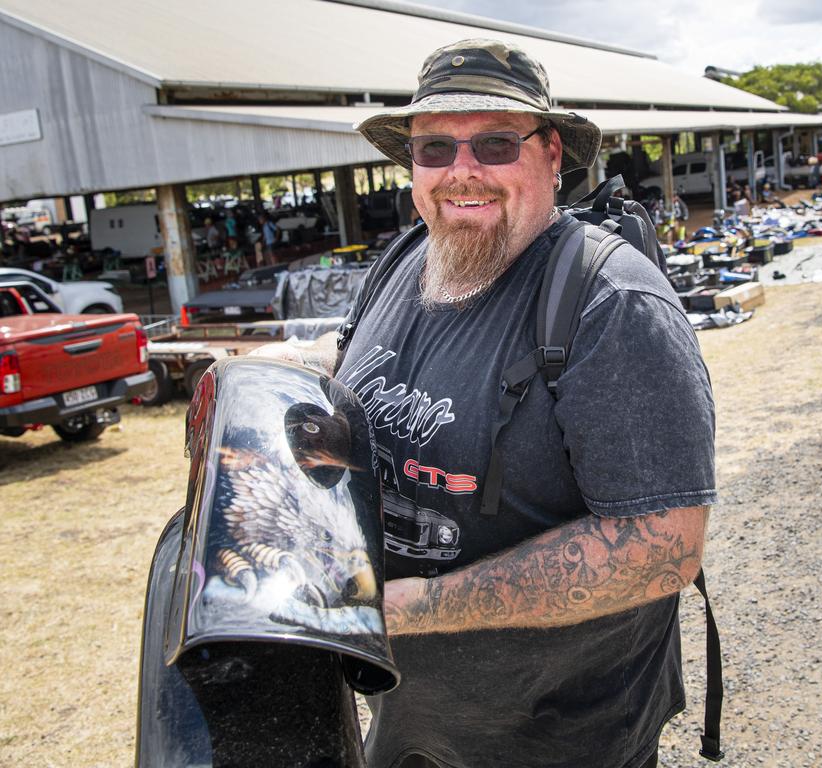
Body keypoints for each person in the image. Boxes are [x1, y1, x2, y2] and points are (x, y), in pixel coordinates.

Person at [259, 39, 716, 768]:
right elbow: (355, 368)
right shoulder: (408, 256)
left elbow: (662, 549)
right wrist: (267, 382)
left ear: (551, 154)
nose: (461, 171)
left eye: (496, 143)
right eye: (434, 148)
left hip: (557, 734)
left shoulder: (611, 305)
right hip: (411, 716)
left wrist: (400, 611)